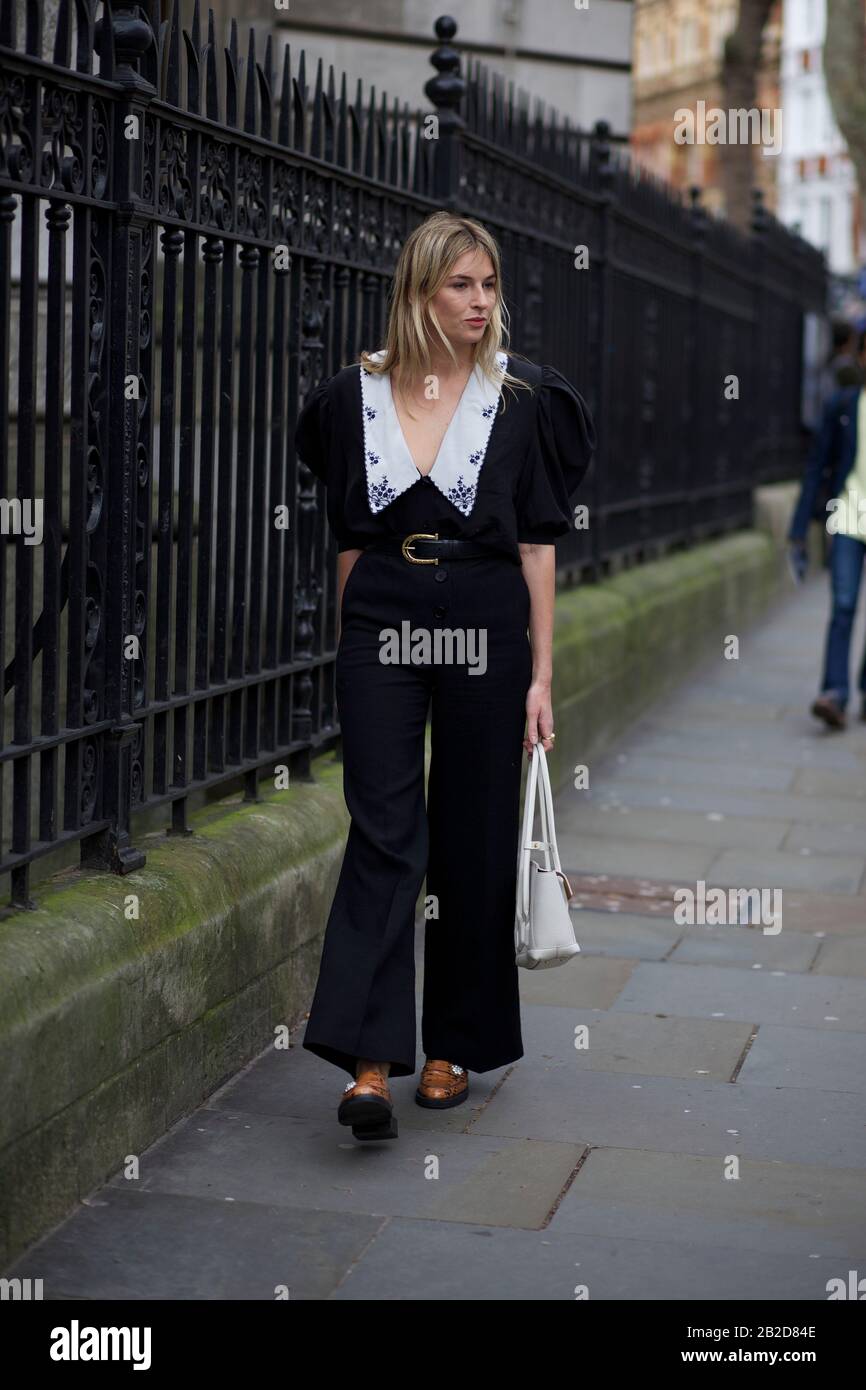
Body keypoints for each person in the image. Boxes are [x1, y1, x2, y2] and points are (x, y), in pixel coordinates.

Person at [293, 211, 595, 1141]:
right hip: (383, 614)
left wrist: (543, 676)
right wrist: (349, 645)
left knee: (471, 830)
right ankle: (368, 1062)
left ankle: (451, 1045)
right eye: (460, 284)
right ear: (419, 292)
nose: (479, 302)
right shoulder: (354, 396)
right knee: (383, 829)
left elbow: (539, 542)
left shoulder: (521, 400)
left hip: (486, 616)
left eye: (489, 285)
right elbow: (348, 536)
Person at [788, 329, 866, 729]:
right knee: (844, 604)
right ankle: (835, 691)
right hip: (850, 519)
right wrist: (799, 527)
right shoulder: (843, 406)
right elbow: (816, 466)